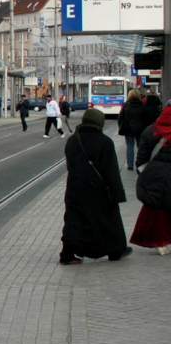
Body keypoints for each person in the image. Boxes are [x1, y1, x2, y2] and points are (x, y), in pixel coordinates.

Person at [60, 108, 131, 264]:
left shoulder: (73, 140)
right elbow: (111, 171)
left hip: (75, 187)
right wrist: (117, 193)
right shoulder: (104, 141)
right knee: (109, 220)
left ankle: (68, 253)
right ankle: (115, 250)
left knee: (75, 220)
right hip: (98, 189)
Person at [133, 102, 171, 256]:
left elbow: (141, 159)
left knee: (155, 212)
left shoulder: (150, 131)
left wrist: (143, 174)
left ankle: (158, 242)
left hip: (154, 177)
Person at [117, 89, 144, 170]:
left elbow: (120, 117)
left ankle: (130, 165)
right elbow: (146, 118)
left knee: (130, 146)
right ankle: (140, 163)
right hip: (140, 129)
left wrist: (121, 126)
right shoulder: (142, 105)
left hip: (128, 129)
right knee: (140, 146)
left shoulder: (126, 106)